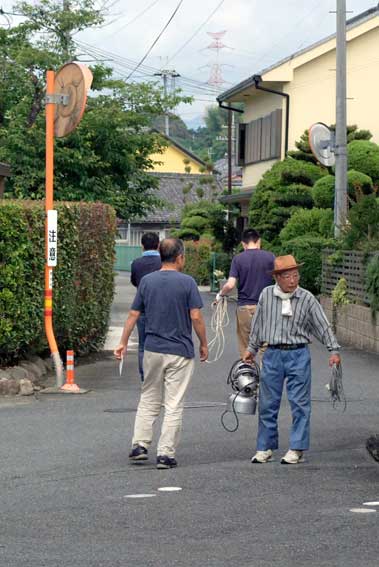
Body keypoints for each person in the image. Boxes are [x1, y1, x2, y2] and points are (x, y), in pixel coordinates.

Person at [114, 238, 208, 470]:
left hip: (153, 348)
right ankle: (165, 454)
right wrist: (204, 343)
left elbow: (133, 314)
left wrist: (123, 342)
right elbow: (195, 316)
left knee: (148, 397)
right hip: (180, 350)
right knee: (173, 403)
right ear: (179, 258)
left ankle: (139, 445)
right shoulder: (187, 282)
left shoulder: (147, 281)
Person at [243, 255, 341, 465]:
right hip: (272, 354)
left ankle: (296, 448)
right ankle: (265, 447)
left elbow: (322, 325)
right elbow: (258, 324)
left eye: (295, 275)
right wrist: (251, 349)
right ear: (277, 277)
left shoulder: (306, 298)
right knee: (268, 404)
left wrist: (333, 350)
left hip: (298, 353)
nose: (292, 280)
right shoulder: (266, 295)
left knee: (300, 403)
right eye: (287, 276)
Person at [217, 228, 275, 358]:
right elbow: (279, 280)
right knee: (265, 346)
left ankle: (247, 376)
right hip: (266, 307)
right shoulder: (270, 257)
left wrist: (221, 294)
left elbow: (231, 284)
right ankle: (265, 376)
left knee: (246, 347)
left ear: (243, 244)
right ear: (258, 241)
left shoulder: (238, 259)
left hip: (244, 308)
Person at [130, 232, 161, 381]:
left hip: (141, 308)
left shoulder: (136, 263)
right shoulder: (164, 262)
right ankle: (161, 375)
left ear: (142, 246)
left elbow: (135, 282)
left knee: (143, 344)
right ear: (159, 245)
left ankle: (145, 376)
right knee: (162, 342)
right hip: (162, 310)